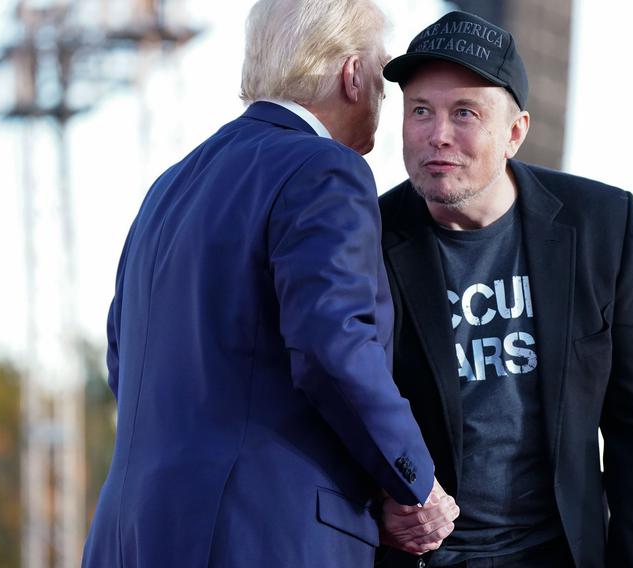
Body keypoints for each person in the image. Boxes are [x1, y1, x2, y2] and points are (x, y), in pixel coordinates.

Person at [82, 1, 452, 566]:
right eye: (380, 75)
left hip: (128, 536)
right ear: (353, 75)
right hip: (261, 537)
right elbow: (335, 348)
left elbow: (122, 359)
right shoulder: (324, 169)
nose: (383, 94)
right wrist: (414, 483)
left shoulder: (168, 188)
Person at [375, 11, 633, 568]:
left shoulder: (601, 225)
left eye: (464, 113)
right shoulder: (366, 238)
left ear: (515, 132)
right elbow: (326, 404)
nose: (437, 133)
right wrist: (376, 505)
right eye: (421, 111)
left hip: (558, 553)